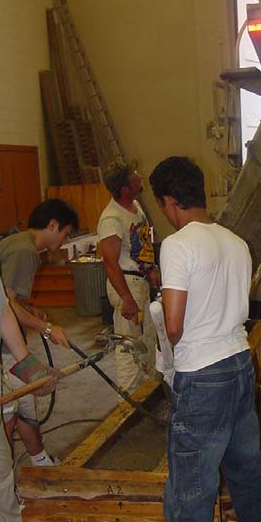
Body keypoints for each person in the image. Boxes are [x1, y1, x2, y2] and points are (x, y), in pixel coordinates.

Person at [149, 156, 261, 522]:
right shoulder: (235, 241)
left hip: (203, 375)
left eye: (163, 207)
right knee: (244, 459)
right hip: (241, 364)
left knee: (189, 486)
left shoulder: (178, 245)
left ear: (170, 202)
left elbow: (173, 324)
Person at [0, 174, 61, 522]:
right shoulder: (18, 250)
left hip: (2, 359)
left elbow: (4, 308)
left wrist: (31, 368)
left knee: (3, 442)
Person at [0, 199, 79, 467]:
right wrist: (46, 328)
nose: (65, 240)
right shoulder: (26, 252)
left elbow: (7, 295)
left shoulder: (16, 243)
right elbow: (5, 305)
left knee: (21, 401)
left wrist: (31, 309)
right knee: (17, 403)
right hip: (2, 345)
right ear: (52, 225)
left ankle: (39, 460)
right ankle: (9, 478)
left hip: (4, 341)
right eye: (65, 233)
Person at [98, 162, 159, 390]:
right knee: (128, 346)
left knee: (147, 342)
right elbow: (110, 264)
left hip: (139, 280)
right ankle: (127, 406)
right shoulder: (111, 219)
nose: (139, 176)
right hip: (126, 284)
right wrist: (126, 299)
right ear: (124, 188)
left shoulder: (134, 207)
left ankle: (146, 393)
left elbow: (142, 241)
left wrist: (151, 268)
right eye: (135, 175)